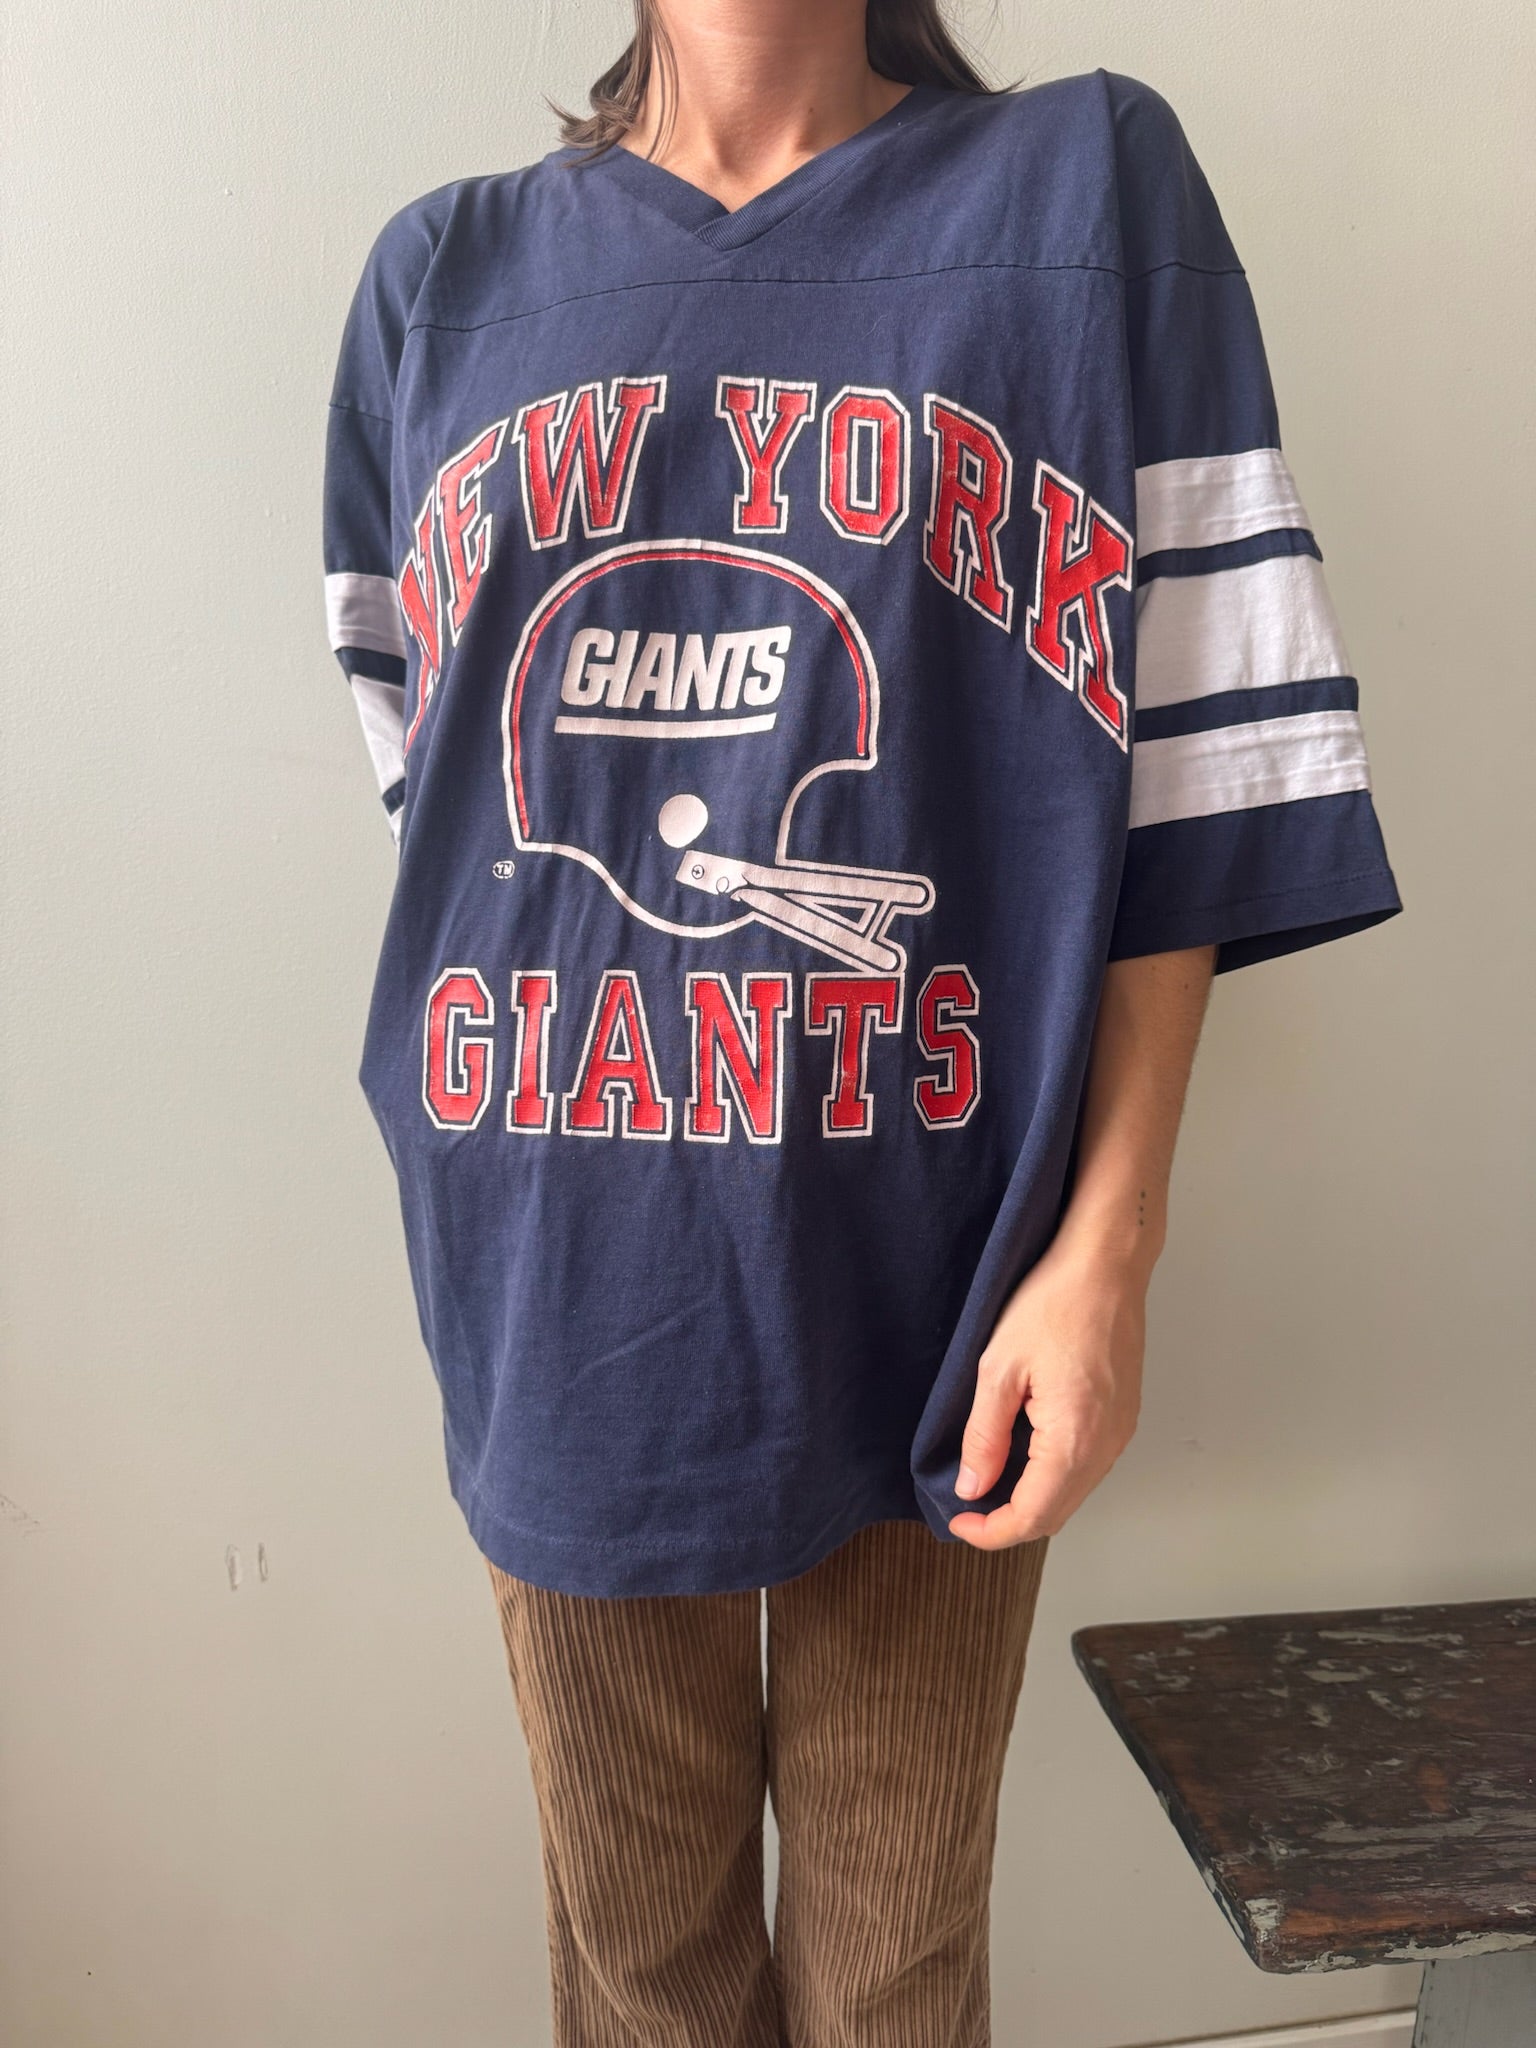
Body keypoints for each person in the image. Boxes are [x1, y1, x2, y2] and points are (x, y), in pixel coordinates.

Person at [320, 2, 1403, 2039]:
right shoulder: (442, 278)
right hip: (557, 1262)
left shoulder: (1086, 194)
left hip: (951, 1260)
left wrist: (1110, 1245)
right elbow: (445, 804)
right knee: (638, 1971)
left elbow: (1195, 765)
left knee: (895, 1968)